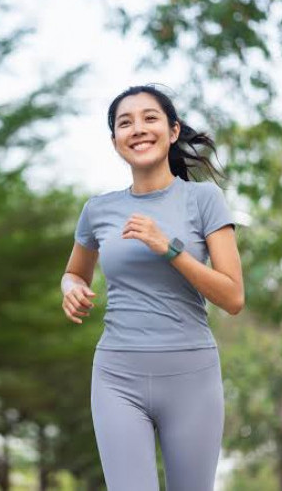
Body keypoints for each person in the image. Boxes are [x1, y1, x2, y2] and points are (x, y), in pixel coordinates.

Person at [60, 84, 244, 491]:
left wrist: (170, 248)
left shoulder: (204, 199)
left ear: (173, 131)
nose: (138, 129)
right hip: (116, 375)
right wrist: (69, 286)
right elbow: (75, 272)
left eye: (150, 118)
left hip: (191, 376)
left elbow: (233, 297)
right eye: (125, 123)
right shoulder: (98, 210)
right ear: (115, 141)